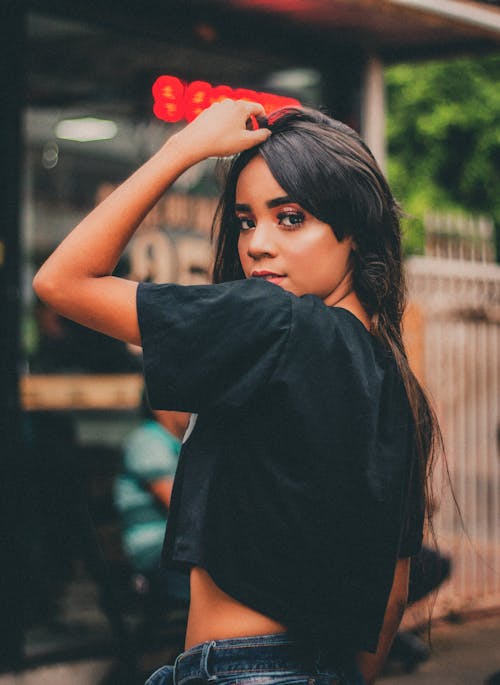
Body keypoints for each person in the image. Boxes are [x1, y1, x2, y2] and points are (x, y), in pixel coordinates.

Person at [33, 99, 442, 685]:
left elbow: (62, 280)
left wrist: (185, 147)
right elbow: (393, 585)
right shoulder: (396, 382)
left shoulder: (277, 323)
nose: (257, 244)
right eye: (247, 220)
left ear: (354, 227)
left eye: (291, 217)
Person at [113, 396, 190, 621]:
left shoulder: (173, 443)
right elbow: (183, 509)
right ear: (161, 408)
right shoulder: (148, 441)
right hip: (155, 554)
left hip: (171, 550)